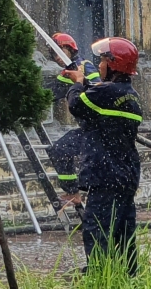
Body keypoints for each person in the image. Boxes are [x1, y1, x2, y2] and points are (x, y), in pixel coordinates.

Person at [68, 37, 143, 276]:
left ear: (114, 64)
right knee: (123, 231)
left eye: (102, 60)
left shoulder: (106, 92)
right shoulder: (130, 95)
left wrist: (78, 82)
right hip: (125, 174)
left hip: (105, 175)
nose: (99, 65)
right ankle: (128, 276)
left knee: (97, 229)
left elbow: (76, 105)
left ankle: (99, 275)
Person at [45, 31, 93, 205]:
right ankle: (73, 193)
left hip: (98, 129)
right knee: (59, 150)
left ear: (69, 48)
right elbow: (51, 92)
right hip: (88, 129)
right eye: (53, 53)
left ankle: (79, 194)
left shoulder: (85, 66)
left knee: (62, 150)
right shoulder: (67, 72)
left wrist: (81, 80)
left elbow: (97, 88)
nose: (56, 57)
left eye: (59, 51)